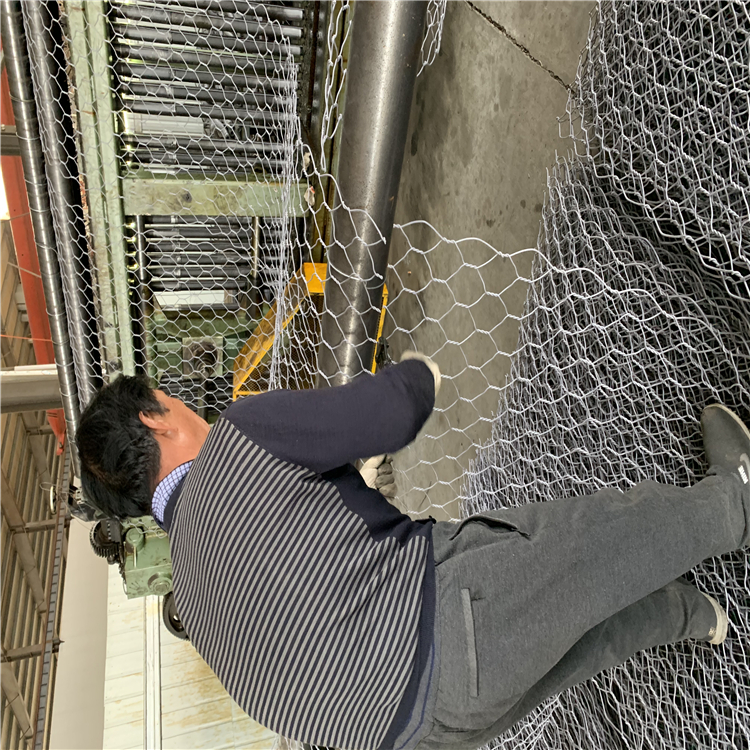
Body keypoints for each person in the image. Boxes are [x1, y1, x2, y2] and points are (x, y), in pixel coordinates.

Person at [76, 354, 750, 750]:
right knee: (595, 544)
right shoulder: (236, 442)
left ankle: (697, 616)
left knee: (579, 642)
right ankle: (734, 504)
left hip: (427, 730)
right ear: (155, 419)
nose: (187, 407)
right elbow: (393, 413)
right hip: (448, 628)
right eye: (171, 400)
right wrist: (419, 373)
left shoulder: (193, 602)